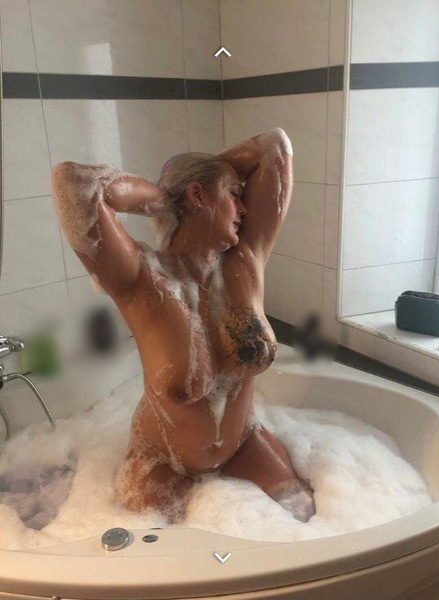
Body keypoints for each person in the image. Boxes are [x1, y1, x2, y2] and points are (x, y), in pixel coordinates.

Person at [52, 128, 315, 523]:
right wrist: (164, 199)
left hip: (244, 445)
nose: (244, 209)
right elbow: (73, 183)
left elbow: (274, 147)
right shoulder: (141, 279)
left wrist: (208, 176)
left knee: (304, 514)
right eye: (233, 194)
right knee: (172, 547)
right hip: (162, 463)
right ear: (197, 196)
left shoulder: (245, 263)